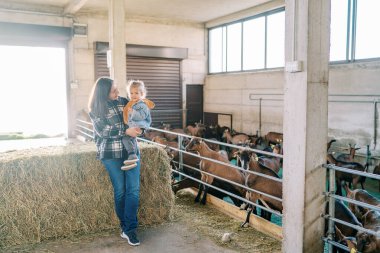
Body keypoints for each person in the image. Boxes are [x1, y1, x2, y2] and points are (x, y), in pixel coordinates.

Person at [88, 77, 141, 246]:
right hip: (111, 154)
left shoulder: (124, 101)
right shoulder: (95, 110)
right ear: (103, 93)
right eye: (114, 91)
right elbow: (104, 131)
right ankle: (124, 226)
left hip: (130, 151)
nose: (118, 93)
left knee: (133, 190)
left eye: (118, 89)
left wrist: (140, 123)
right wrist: (126, 130)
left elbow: (136, 119)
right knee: (121, 191)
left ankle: (130, 229)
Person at [121, 80, 155, 170]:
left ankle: (132, 155)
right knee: (127, 139)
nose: (133, 95)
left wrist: (133, 112)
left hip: (139, 125)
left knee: (126, 138)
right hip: (133, 125)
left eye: (136, 93)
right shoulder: (131, 103)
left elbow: (142, 116)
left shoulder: (142, 104)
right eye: (131, 93)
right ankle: (132, 158)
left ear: (142, 94)